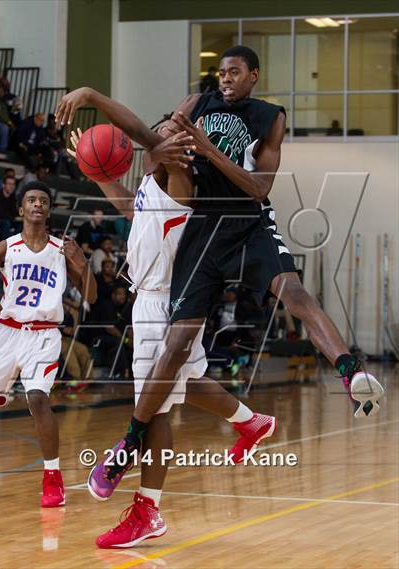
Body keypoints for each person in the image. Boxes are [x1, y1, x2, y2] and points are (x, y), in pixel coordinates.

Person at [56, 44, 384, 492]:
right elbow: (141, 153)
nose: (225, 78)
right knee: (179, 369)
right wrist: (97, 149)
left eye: (234, 71)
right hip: (200, 241)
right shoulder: (175, 146)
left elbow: (256, 187)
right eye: (221, 72)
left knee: (290, 293)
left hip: (241, 222)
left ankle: (349, 371)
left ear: (253, 75)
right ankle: (232, 426)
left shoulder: (233, 140)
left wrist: (97, 97)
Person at [66, 127, 276, 548]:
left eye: (163, 133)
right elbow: (130, 207)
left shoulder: (181, 178)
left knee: (157, 409)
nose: (152, 138)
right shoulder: (152, 182)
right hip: (158, 301)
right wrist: (95, 169)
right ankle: (251, 422)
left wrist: (99, 104)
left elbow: (159, 144)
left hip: (165, 301)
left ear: (177, 148)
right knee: (184, 384)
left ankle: (148, 511)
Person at [0, 180, 97, 507]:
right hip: (6, 331)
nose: (37, 204)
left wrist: (82, 263)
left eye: (43, 200)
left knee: (37, 399)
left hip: (44, 334)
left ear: (48, 210)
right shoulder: (5, 248)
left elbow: (91, 295)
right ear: (21, 209)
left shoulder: (63, 250)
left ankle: (52, 478)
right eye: (31, 200)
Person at [0, 174, 17, 239]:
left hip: (7, 220)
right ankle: (4, 247)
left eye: (13, 184)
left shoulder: (13, 197)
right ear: (3, 185)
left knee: (22, 224)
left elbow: (14, 212)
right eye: (9, 184)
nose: (11, 186)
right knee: (6, 223)